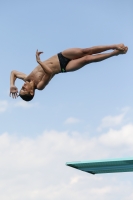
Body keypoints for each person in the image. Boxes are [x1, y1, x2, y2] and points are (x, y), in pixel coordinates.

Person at [10, 44, 128, 101]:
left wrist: (11, 85)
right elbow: (50, 72)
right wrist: (39, 61)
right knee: (87, 59)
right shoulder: (39, 86)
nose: (23, 85)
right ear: (31, 92)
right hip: (64, 67)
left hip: (61, 56)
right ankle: (115, 53)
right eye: (24, 89)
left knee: (85, 51)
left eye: (22, 87)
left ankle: (114, 46)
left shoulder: (26, 78)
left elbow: (13, 72)